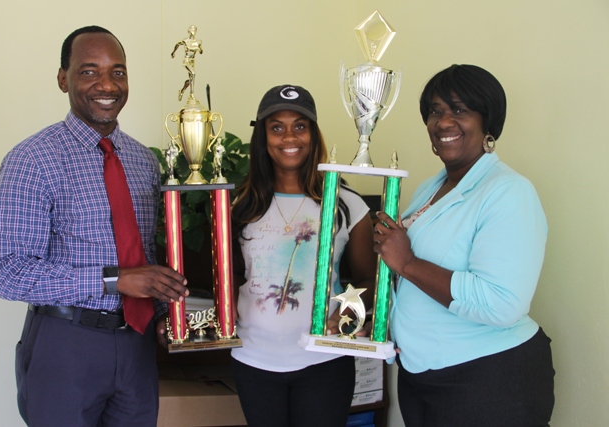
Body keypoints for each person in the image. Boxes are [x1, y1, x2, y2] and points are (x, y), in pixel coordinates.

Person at [0, 26, 188, 427]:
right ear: (63, 79)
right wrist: (115, 280)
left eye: (118, 72)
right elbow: (6, 273)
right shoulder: (32, 159)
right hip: (66, 345)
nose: (106, 84)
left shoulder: (142, 161)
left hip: (136, 346)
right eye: (89, 71)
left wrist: (166, 311)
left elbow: (144, 257)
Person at [373, 64, 555, 426]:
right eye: (436, 111)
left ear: (488, 123)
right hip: (422, 377)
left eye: (460, 110)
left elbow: (502, 303)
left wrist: (407, 262)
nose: (443, 122)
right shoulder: (432, 186)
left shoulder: (509, 192)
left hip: (488, 379)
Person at [230, 84, 377, 427]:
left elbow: (369, 278)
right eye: (276, 127)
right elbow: (234, 279)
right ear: (263, 137)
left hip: (324, 361)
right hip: (254, 360)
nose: (289, 137)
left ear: (313, 133)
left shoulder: (345, 204)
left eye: (300, 125)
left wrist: (348, 309)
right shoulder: (241, 206)